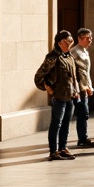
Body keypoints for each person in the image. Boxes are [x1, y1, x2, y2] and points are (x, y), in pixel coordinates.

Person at [34, 30, 80, 161]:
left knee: (66, 123)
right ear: (60, 42)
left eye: (72, 41)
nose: (71, 43)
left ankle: (63, 148)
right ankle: (53, 151)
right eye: (68, 41)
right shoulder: (53, 57)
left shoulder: (69, 56)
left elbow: (73, 77)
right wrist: (46, 87)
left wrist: (76, 91)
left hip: (70, 95)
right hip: (58, 96)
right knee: (56, 123)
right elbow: (39, 76)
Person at [70, 27, 94, 149]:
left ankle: (83, 137)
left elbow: (86, 72)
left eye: (90, 37)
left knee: (84, 113)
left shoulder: (84, 51)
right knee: (82, 113)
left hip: (85, 87)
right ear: (80, 39)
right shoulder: (74, 52)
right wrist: (80, 88)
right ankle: (82, 138)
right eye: (88, 38)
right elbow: (75, 73)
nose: (90, 40)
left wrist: (90, 87)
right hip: (78, 89)